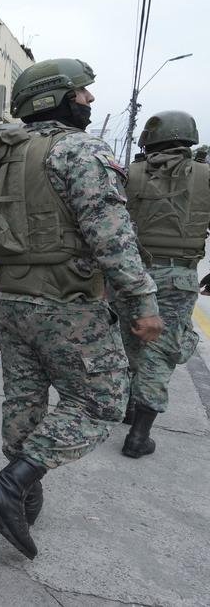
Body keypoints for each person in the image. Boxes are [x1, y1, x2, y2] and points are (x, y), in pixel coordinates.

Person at [0, 58, 164, 560]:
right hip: (65, 303)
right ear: (53, 98)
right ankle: (13, 485)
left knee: (24, 399)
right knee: (102, 400)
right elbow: (112, 236)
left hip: (9, 300)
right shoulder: (79, 150)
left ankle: (23, 501)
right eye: (81, 92)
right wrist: (142, 301)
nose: (90, 100)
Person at [116, 111, 207, 458]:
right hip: (179, 277)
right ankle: (139, 435)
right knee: (162, 349)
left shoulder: (131, 174)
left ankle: (125, 408)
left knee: (129, 342)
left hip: (131, 273)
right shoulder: (206, 175)